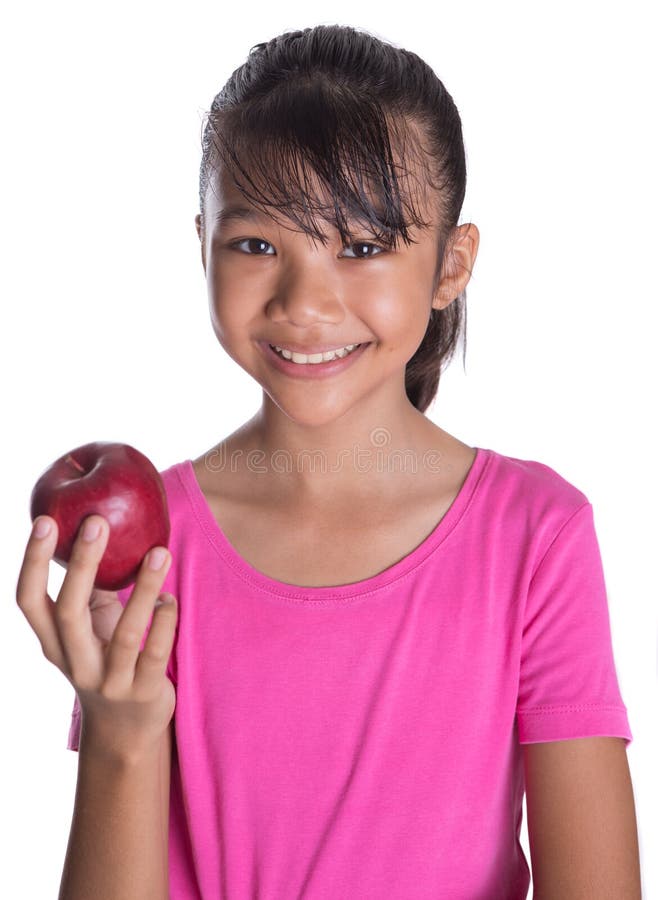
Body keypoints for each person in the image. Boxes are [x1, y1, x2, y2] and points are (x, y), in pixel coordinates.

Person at [16, 23, 641, 900]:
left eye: (363, 246)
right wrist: (121, 729)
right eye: (258, 245)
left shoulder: (536, 532)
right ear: (202, 245)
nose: (306, 302)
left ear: (451, 265)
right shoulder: (155, 545)